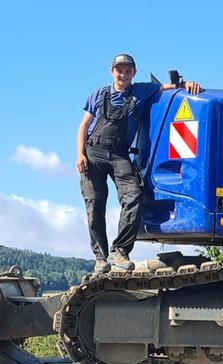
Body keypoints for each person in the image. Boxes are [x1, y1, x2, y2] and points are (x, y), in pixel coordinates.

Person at [77, 53, 203, 273]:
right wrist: (80, 155)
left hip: (119, 153)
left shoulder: (142, 91)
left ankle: (120, 251)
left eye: (127, 71)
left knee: (134, 194)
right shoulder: (98, 94)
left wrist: (187, 84)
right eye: (119, 70)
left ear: (134, 73)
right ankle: (100, 258)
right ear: (112, 72)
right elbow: (84, 126)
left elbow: (168, 86)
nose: (123, 74)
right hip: (94, 151)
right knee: (95, 204)